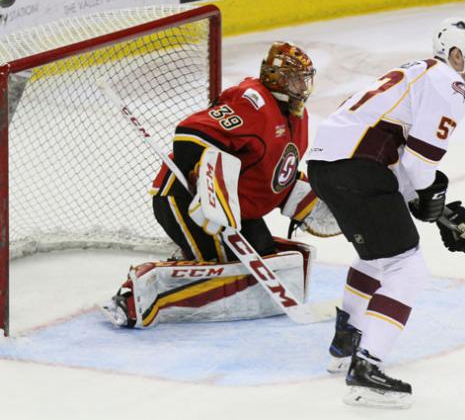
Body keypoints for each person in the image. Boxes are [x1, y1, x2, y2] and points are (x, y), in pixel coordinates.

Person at [306, 18, 465, 409]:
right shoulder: (449, 83)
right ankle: (366, 370)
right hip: (358, 168)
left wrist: (440, 210)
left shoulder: (417, 71)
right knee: (408, 268)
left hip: (327, 166)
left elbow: (406, 167)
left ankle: (346, 344)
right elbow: (420, 166)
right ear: (455, 55)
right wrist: (431, 203)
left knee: (377, 257)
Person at [102, 41, 339, 328]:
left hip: (235, 211)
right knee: (229, 269)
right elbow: (189, 136)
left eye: (305, 78)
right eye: (294, 78)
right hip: (185, 199)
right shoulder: (252, 103)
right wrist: (211, 191)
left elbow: (273, 171)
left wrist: (307, 198)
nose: (302, 85)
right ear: (275, 77)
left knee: (264, 260)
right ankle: (133, 293)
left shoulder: (296, 115)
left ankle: (189, 256)